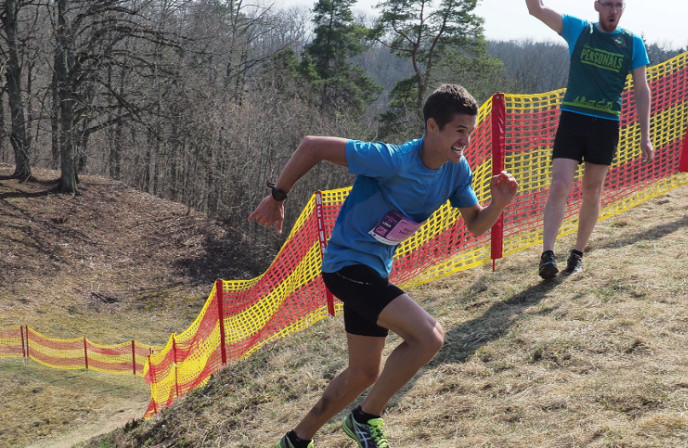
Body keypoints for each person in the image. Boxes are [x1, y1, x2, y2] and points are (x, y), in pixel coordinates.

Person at [249, 84, 518, 448]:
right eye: (459, 131)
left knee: (363, 372)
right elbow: (312, 145)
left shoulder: (456, 171)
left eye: (470, 131)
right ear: (432, 126)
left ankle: (296, 440)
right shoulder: (391, 160)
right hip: (346, 267)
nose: (465, 141)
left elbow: (475, 224)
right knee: (429, 336)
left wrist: (499, 204)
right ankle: (365, 418)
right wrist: (278, 196)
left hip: (373, 272)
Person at [525, 0, 654, 279]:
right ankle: (547, 254)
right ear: (597, 5)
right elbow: (536, 9)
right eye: (607, 4)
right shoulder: (579, 30)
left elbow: (642, 90)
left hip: (606, 124)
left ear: (623, 8)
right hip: (573, 118)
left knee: (592, 190)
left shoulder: (632, 43)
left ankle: (577, 253)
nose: (613, 10)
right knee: (560, 184)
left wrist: (646, 135)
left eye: (618, 5)